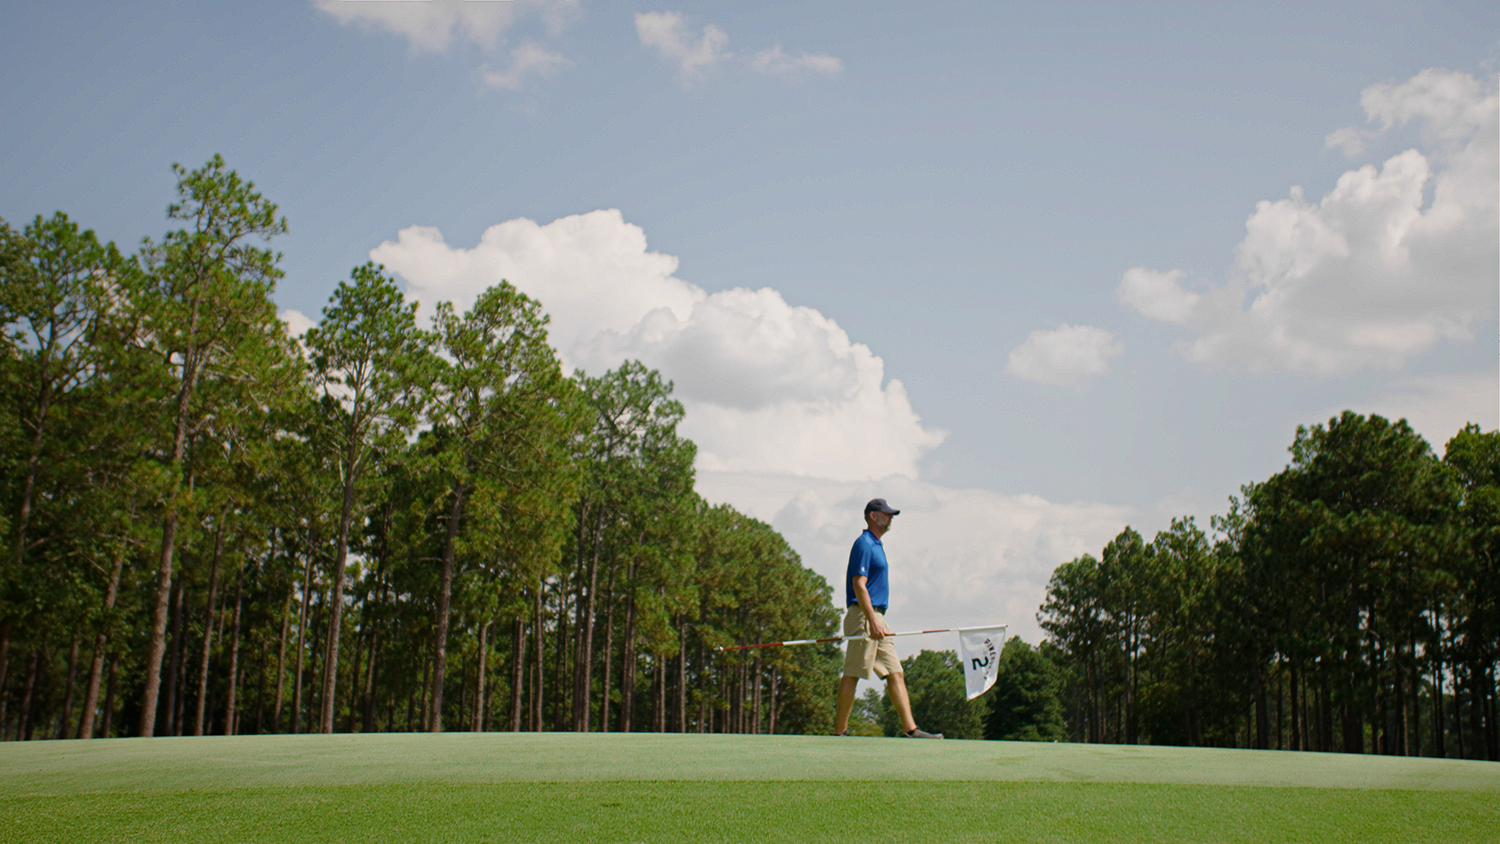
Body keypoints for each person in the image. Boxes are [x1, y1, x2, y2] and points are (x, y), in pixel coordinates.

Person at [833, 498, 943, 738]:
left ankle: (910, 729)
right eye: (887, 514)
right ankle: (839, 731)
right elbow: (859, 585)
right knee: (854, 672)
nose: (891, 517)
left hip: (876, 616)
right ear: (874, 516)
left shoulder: (877, 544)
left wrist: (876, 619)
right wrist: (871, 619)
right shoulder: (864, 544)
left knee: (895, 672)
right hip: (864, 615)